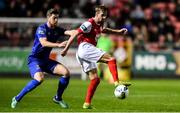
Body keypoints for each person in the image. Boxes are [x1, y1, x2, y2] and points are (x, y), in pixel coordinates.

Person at [61, 5, 131, 109]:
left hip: (83, 53)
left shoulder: (100, 24)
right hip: (85, 47)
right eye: (102, 15)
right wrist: (66, 49)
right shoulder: (88, 23)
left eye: (105, 16)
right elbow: (75, 33)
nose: (104, 18)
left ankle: (87, 104)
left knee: (95, 79)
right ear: (96, 14)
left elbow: (104, 30)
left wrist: (118, 32)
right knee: (111, 59)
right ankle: (117, 83)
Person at [11, 8, 76, 109]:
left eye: (57, 18)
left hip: (46, 60)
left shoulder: (57, 29)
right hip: (34, 59)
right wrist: (58, 45)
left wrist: (80, 31)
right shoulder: (42, 28)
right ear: (48, 17)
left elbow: (70, 32)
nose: (56, 20)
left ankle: (58, 98)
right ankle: (16, 98)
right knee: (39, 78)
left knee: (66, 73)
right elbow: (43, 43)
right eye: (54, 18)